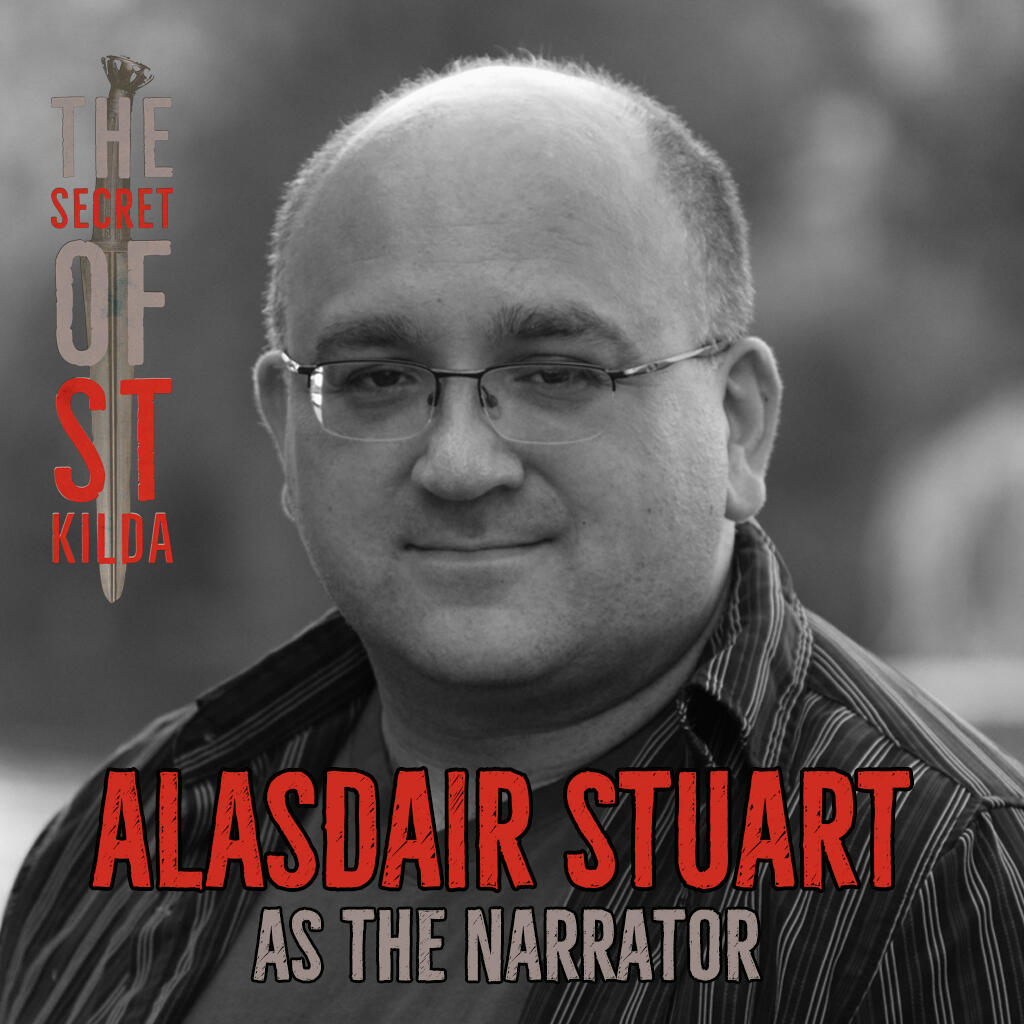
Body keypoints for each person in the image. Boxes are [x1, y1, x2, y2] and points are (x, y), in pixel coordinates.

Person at [3, 55, 1024, 1024]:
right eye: (378, 378)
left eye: (556, 373)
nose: (458, 463)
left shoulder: (940, 875)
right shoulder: (137, 830)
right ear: (286, 426)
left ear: (739, 422)